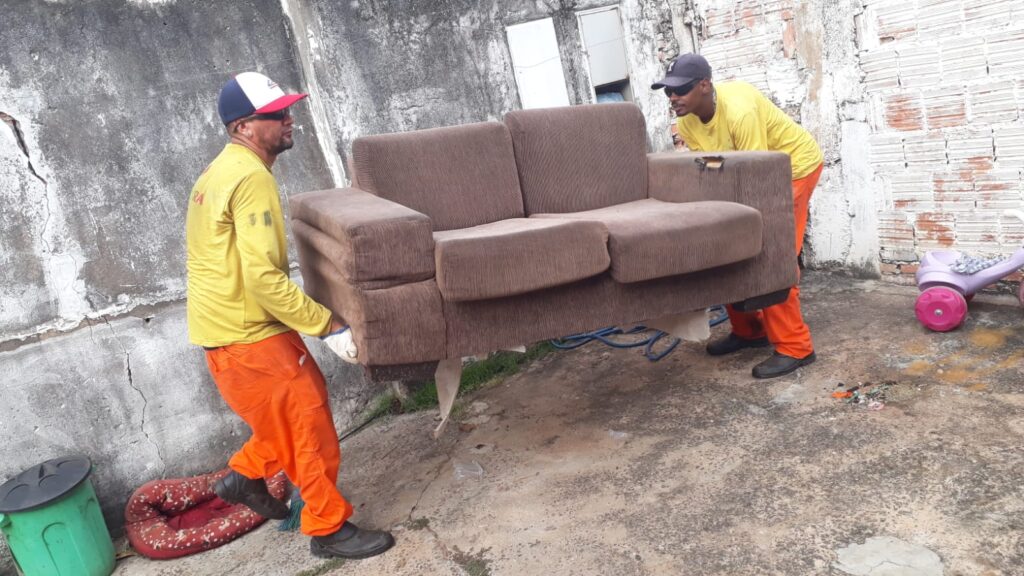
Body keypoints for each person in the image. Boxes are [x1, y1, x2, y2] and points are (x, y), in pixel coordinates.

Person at [185, 71, 394, 559]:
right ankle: (328, 529)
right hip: (250, 337)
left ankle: (244, 474)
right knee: (309, 426)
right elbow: (264, 280)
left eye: (287, 108)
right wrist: (330, 325)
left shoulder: (218, 172)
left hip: (228, 338)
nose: (288, 118)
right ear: (244, 127)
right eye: (275, 114)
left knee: (288, 421)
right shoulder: (250, 177)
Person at [652, 54, 823, 379]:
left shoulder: (740, 109)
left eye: (681, 90)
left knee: (773, 256)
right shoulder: (687, 122)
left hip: (792, 170)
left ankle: (796, 348)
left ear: (705, 85)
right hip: (749, 177)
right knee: (728, 249)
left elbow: (760, 175)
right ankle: (751, 331)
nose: (673, 98)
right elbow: (715, 166)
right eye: (667, 92)